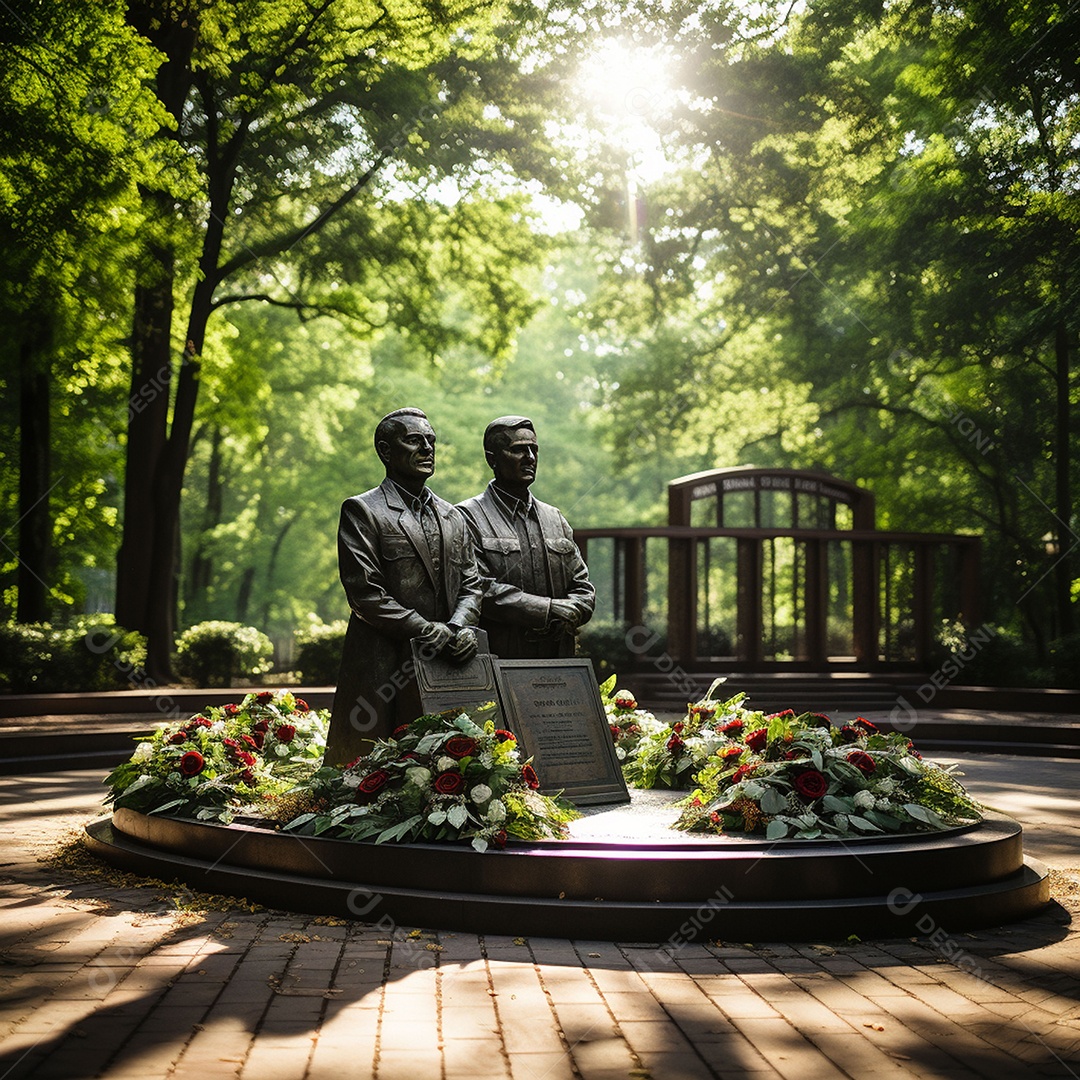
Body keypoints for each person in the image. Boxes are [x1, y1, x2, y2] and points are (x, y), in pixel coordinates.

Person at [324, 408, 482, 766]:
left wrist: (458, 628)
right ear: (385, 450)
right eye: (414, 440)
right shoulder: (363, 511)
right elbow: (365, 593)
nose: (427, 449)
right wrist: (427, 630)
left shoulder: (453, 515)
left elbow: (473, 582)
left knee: (453, 771)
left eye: (431, 441)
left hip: (448, 662)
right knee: (378, 776)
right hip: (385, 667)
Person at [457, 416, 595, 659]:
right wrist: (548, 610)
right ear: (492, 458)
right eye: (518, 450)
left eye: (534, 449)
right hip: (500, 661)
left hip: (560, 662)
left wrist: (574, 609)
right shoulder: (466, 516)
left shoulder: (555, 518)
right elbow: (478, 587)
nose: (530, 458)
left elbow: (582, 585)